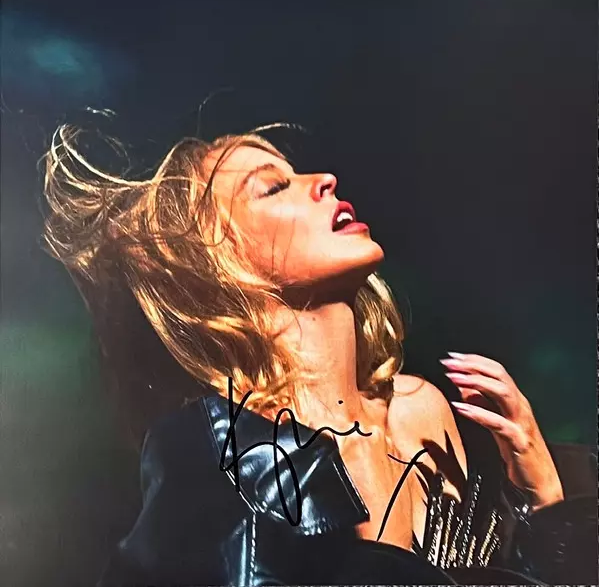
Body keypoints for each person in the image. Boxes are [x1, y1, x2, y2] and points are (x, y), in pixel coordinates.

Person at [42, 123, 596, 586]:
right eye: (272, 188)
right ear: (214, 265)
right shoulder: (228, 450)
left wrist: (545, 503)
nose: (325, 180)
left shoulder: (421, 414)